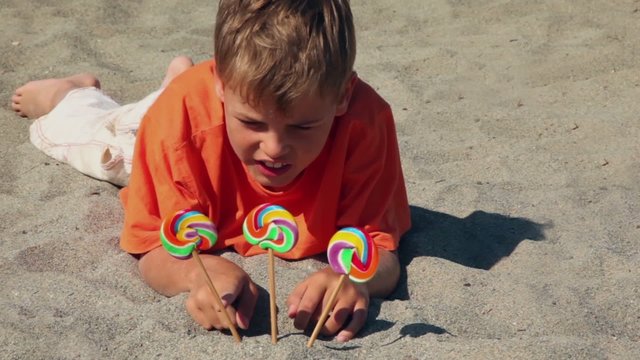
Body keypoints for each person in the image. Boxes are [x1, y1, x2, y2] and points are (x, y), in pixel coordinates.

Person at [11, 0, 411, 343]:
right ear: (221, 84)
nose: (274, 147)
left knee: (170, 110)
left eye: (303, 126)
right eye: (253, 123)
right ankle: (69, 92)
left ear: (343, 96)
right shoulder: (177, 127)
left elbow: (380, 248)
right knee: (99, 146)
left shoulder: (365, 123)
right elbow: (153, 246)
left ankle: (179, 82)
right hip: (172, 132)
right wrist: (196, 275)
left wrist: (357, 279)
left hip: (198, 112)